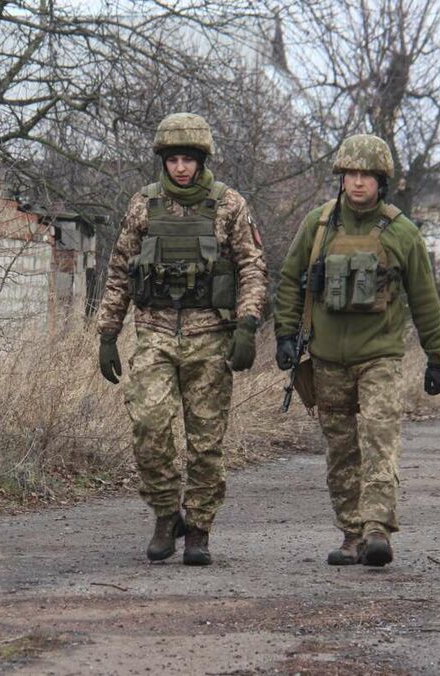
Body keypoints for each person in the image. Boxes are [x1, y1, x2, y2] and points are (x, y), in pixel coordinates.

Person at [97, 112, 268, 566]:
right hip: (154, 332)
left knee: (206, 441)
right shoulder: (143, 205)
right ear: (163, 161)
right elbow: (119, 270)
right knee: (149, 427)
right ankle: (164, 513)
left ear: (201, 160)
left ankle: (198, 528)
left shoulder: (229, 205)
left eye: (188, 159)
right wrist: (108, 333)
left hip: (210, 336)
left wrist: (248, 325)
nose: (181, 168)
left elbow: (252, 266)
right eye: (173, 159)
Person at [273, 134, 440, 567]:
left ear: (380, 181)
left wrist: (438, 356)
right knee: (341, 450)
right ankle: (350, 533)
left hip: (380, 359)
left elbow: (425, 299)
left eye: (366, 176)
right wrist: (284, 335)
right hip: (328, 359)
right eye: (350, 174)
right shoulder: (318, 226)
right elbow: (290, 281)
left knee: (379, 440)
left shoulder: (402, 233)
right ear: (340, 178)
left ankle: (376, 530)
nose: (357, 183)